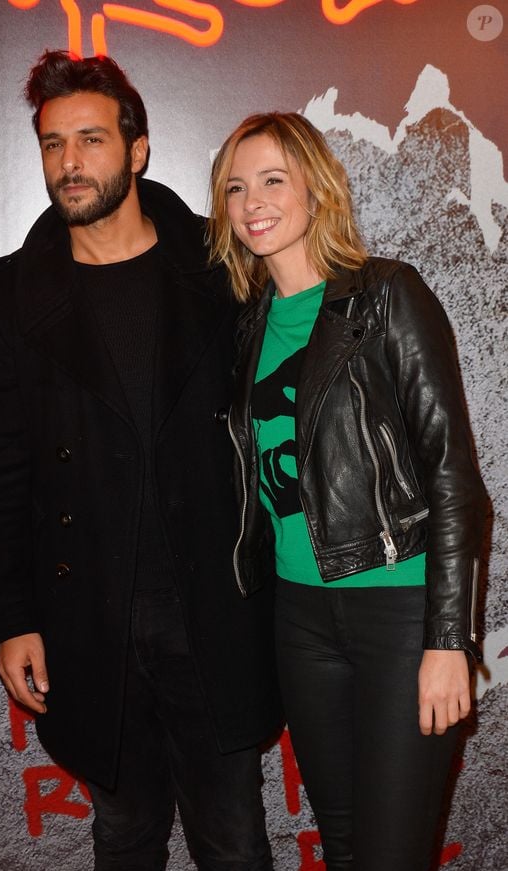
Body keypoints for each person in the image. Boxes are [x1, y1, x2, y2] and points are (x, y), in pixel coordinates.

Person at [0, 52, 282, 871]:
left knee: (236, 842)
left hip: (212, 610)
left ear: (136, 150)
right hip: (88, 622)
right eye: (51, 143)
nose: (69, 163)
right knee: (125, 840)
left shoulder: (223, 268)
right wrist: (13, 619)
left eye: (91, 139)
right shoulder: (7, 294)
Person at [208, 112, 487, 871]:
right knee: (344, 846)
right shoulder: (247, 326)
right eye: (235, 186)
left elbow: (454, 475)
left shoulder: (388, 294)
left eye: (272, 179)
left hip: (398, 612)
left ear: (315, 189)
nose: (251, 201)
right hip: (298, 617)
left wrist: (447, 638)